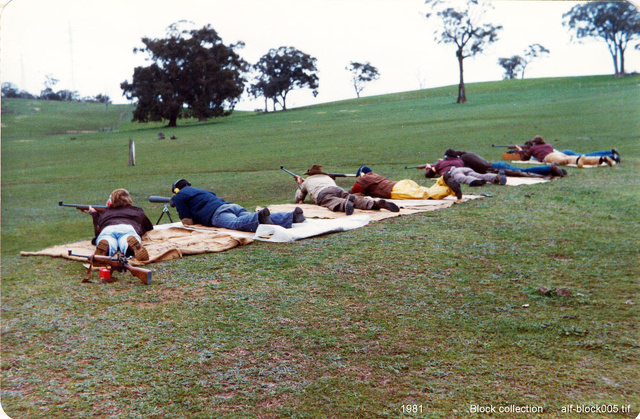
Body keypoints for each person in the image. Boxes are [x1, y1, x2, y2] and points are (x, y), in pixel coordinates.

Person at [170, 179, 306, 232]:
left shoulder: (179, 196)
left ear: (176, 190)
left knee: (236, 224)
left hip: (216, 213)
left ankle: (258, 217)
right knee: (252, 217)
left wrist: (176, 202)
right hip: (230, 206)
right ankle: (291, 216)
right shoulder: (200, 191)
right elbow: (213, 194)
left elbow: (187, 221)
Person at [294, 165, 400, 214]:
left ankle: (345, 204)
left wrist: (300, 184)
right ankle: (374, 204)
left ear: (310, 174)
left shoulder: (307, 181)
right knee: (352, 198)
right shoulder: (327, 177)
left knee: (332, 201)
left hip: (323, 193)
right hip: (337, 189)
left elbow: (299, 197)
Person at [85, 188, 153, 262]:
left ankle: (107, 247)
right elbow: (148, 226)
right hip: (127, 228)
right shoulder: (137, 210)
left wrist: (94, 214)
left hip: (108, 229)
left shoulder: (105, 213)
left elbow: (98, 229)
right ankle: (130, 247)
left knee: (107, 239)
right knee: (126, 240)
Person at [348, 165, 462, 201]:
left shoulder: (364, 179)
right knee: (425, 190)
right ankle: (443, 180)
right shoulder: (374, 176)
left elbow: (352, 191)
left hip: (395, 190)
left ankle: (448, 190)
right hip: (402, 184)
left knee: (425, 195)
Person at [443, 148, 566, 178]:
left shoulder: (465, 158)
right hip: (497, 165)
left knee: (524, 172)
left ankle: (549, 168)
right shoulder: (468, 154)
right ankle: (552, 171)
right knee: (523, 171)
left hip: (495, 167)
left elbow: (483, 166)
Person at [516, 136, 614, 167]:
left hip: (549, 157)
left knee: (566, 161)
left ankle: (579, 160)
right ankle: (600, 159)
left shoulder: (533, 148)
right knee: (570, 157)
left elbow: (524, 158)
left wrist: (520, 151)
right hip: (556, 153)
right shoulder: (548, 145)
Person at [423, 155, 507, 187]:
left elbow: (429, 174)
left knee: (462, 178)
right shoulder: (458, 160)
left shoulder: (440, 164)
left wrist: (428, 167)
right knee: (480, 175)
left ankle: (474, 181)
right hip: (465, 169)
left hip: (453, 171)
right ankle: (496, 177)